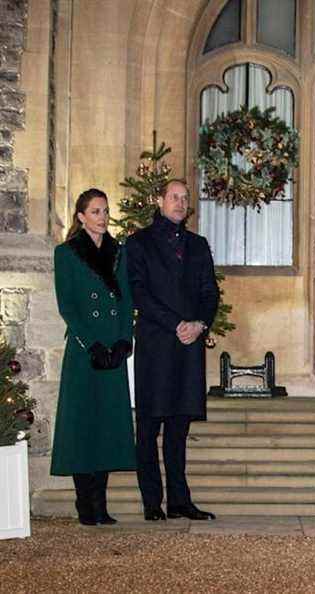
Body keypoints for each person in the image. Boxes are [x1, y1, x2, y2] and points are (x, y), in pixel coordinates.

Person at [126, 179, 220, 522]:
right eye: (174, 197)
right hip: (156, 345)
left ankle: (180, 501)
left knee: (179, 429)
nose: (180, 203)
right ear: (159, 200)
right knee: (149, 428)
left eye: (185, 198)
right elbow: (137, 292)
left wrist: (199, 325)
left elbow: (211, 293)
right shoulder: (138, 243)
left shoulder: (198, 245)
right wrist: (176, 324)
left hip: (189, 348)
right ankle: (152, 502)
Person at [50, 188, 137, 525]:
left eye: (105, 211)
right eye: (96, 211)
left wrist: (123, 340)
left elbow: (127, 300)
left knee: (107, 426)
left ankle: (101, 504)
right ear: (81, 216)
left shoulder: (119, 253)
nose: (103, 217)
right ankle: (84, 503)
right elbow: (67, 306)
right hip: (85, 353)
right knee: (82, 425)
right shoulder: (66, 253)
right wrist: (93, 343)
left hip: (112, 351)